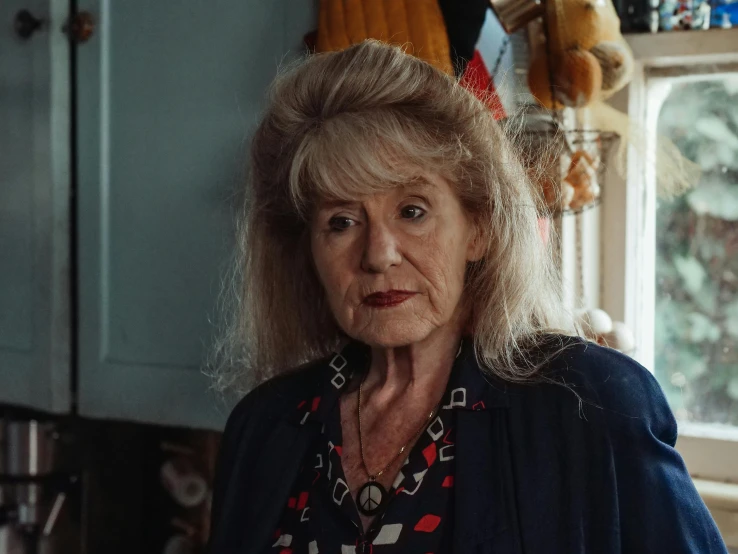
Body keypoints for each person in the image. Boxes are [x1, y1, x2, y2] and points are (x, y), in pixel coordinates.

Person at [207, 40, 727, 554]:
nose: (378, 254)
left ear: (477, 228)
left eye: (412, 211)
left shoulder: (593, 404)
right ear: (308, 252)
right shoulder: (264, 428)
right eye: (341, 222)